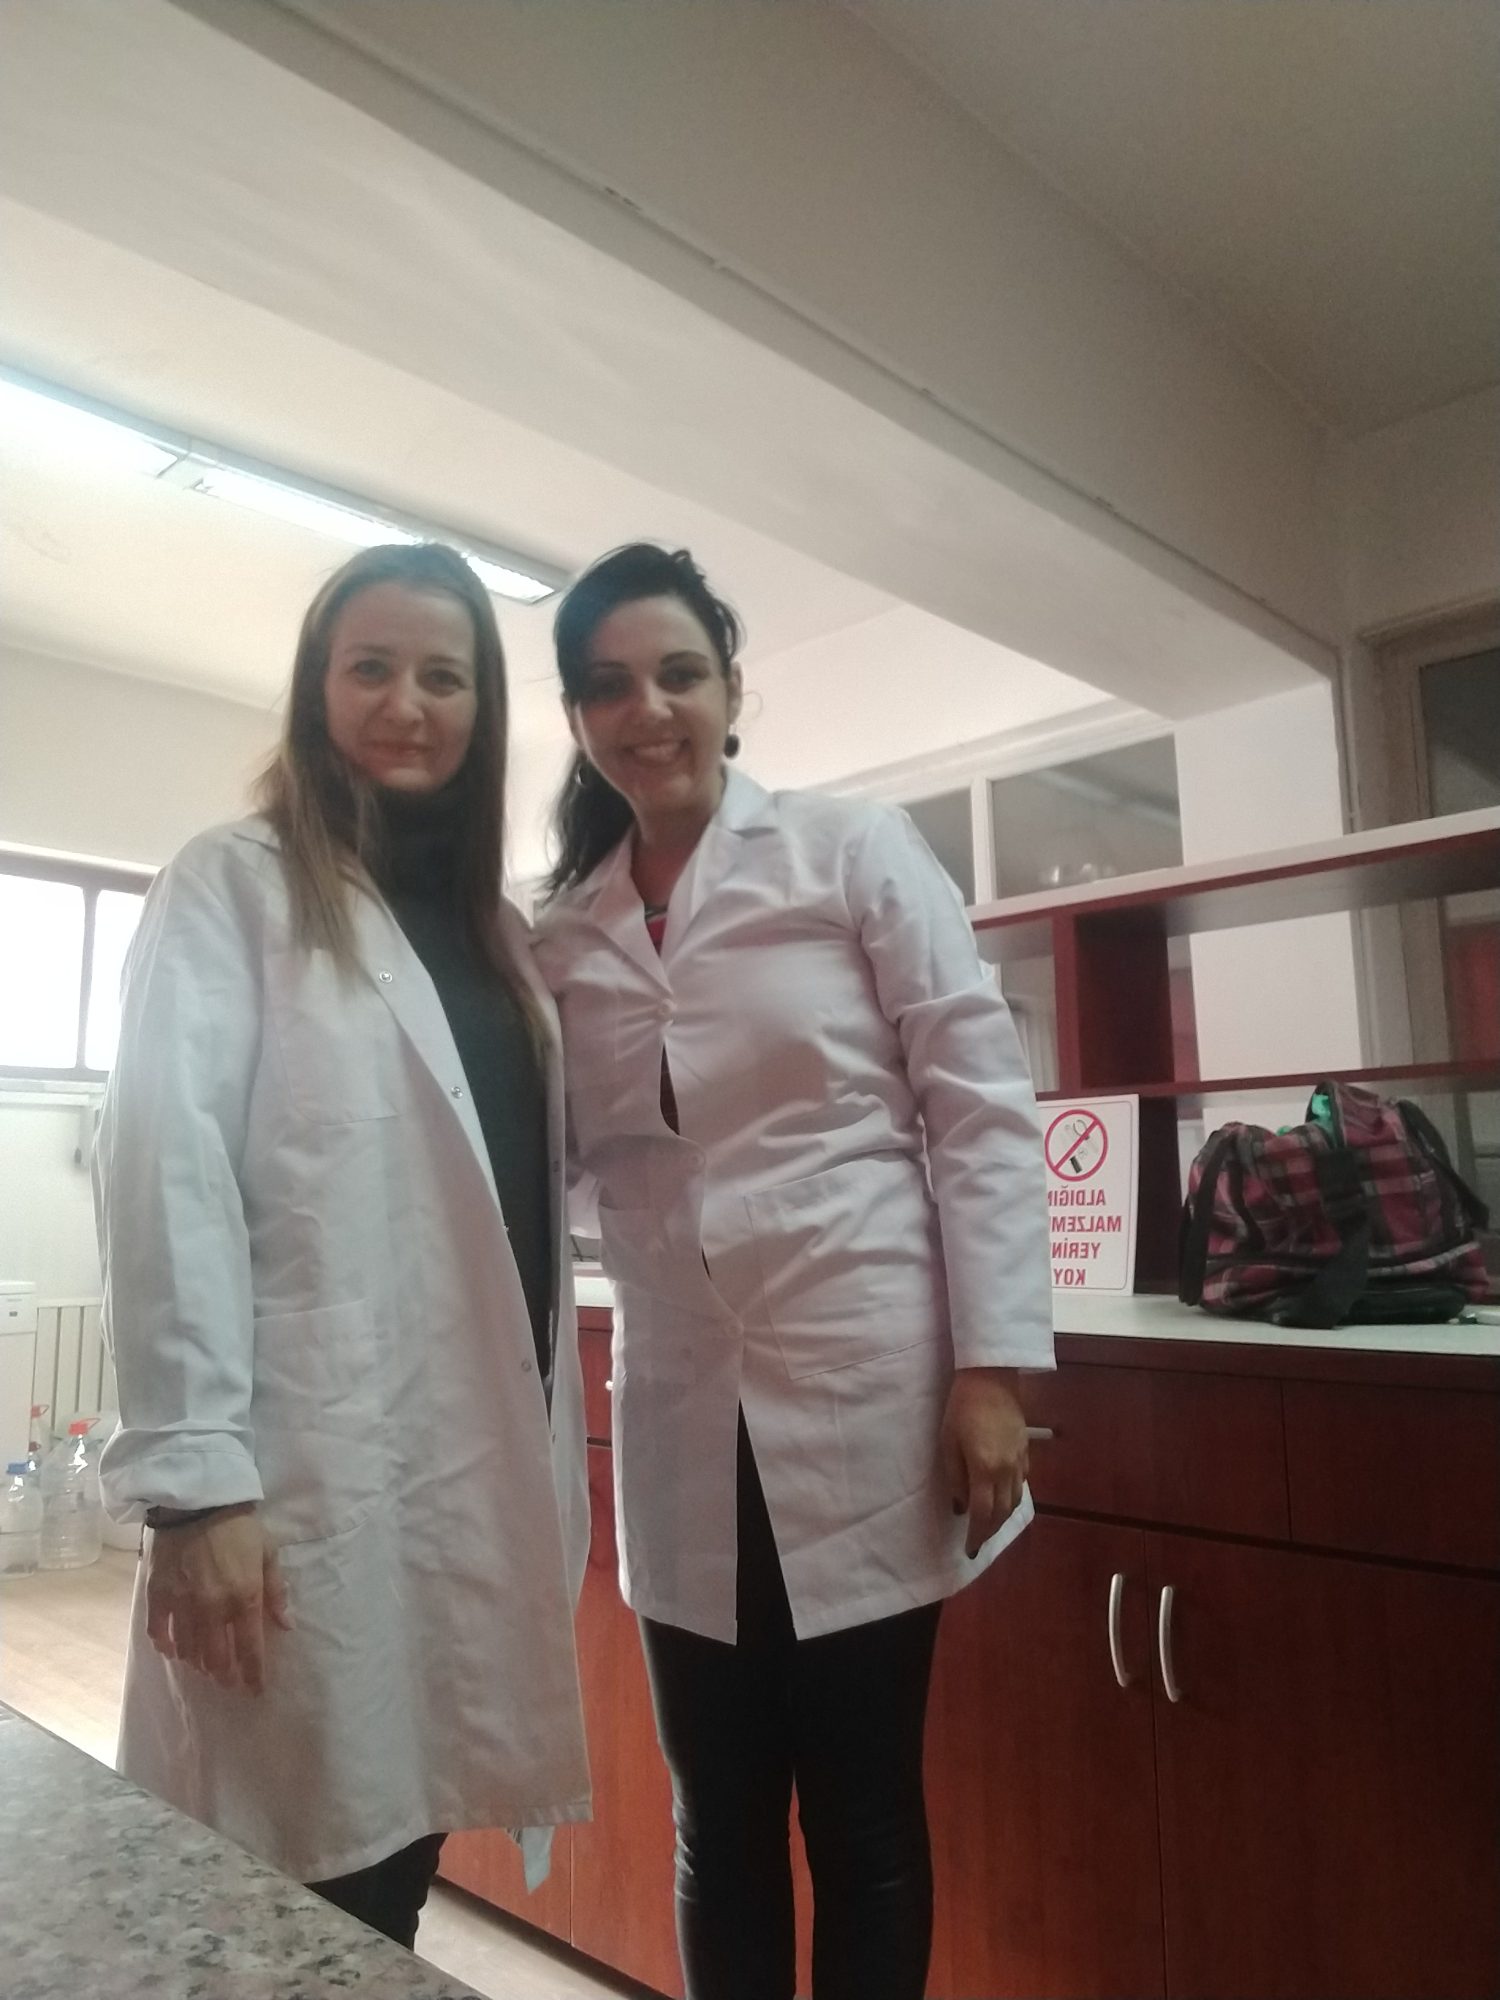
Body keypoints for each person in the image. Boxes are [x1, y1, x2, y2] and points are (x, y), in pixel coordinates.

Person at [532, 543, 1053, 2000]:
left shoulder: (850, 850)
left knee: (865, 1816)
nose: (649, 710)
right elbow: (545, 1157)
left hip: (865, 1384)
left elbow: (978, 1107)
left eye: (678, 674)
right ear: (577, 717)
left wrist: (993, 1371)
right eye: (610, 686)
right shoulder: (561, 933)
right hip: (677, 1403)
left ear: (731, 690)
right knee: (718, 1820)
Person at [95, 542, 591, 1948]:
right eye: (371, 666)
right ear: (318, 685)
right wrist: (195, 1490)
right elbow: (165, 1175)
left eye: (445, 676)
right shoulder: (231, 886)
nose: (407, 703)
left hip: (463, 1467)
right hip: (299, 1479)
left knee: (392, 1867)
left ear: (485, 710)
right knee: (274, 1887)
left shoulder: (502, 939)